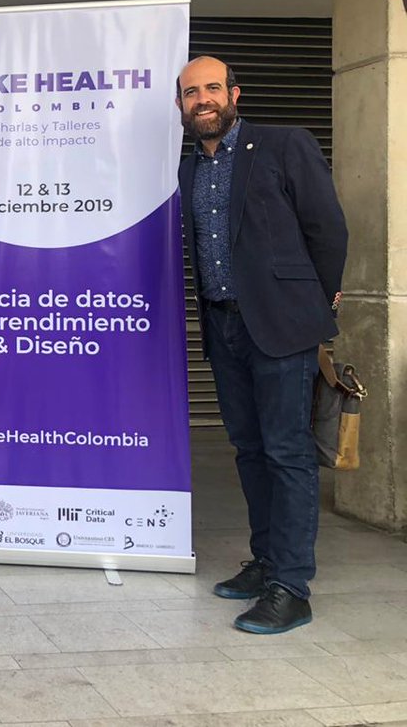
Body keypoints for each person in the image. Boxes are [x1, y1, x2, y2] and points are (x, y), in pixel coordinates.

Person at [176, 56, 347, 634]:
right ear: (181, 105)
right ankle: (266, 561)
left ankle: (291, 586)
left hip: (281, 327)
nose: (203, 99)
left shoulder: (283, 144)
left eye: (212, 88)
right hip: (224, 327)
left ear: (234, 93)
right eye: (191, 92)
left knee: (287, 452)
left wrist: (314, 306)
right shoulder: (189, 170)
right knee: (249, 450)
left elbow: (327, 228)